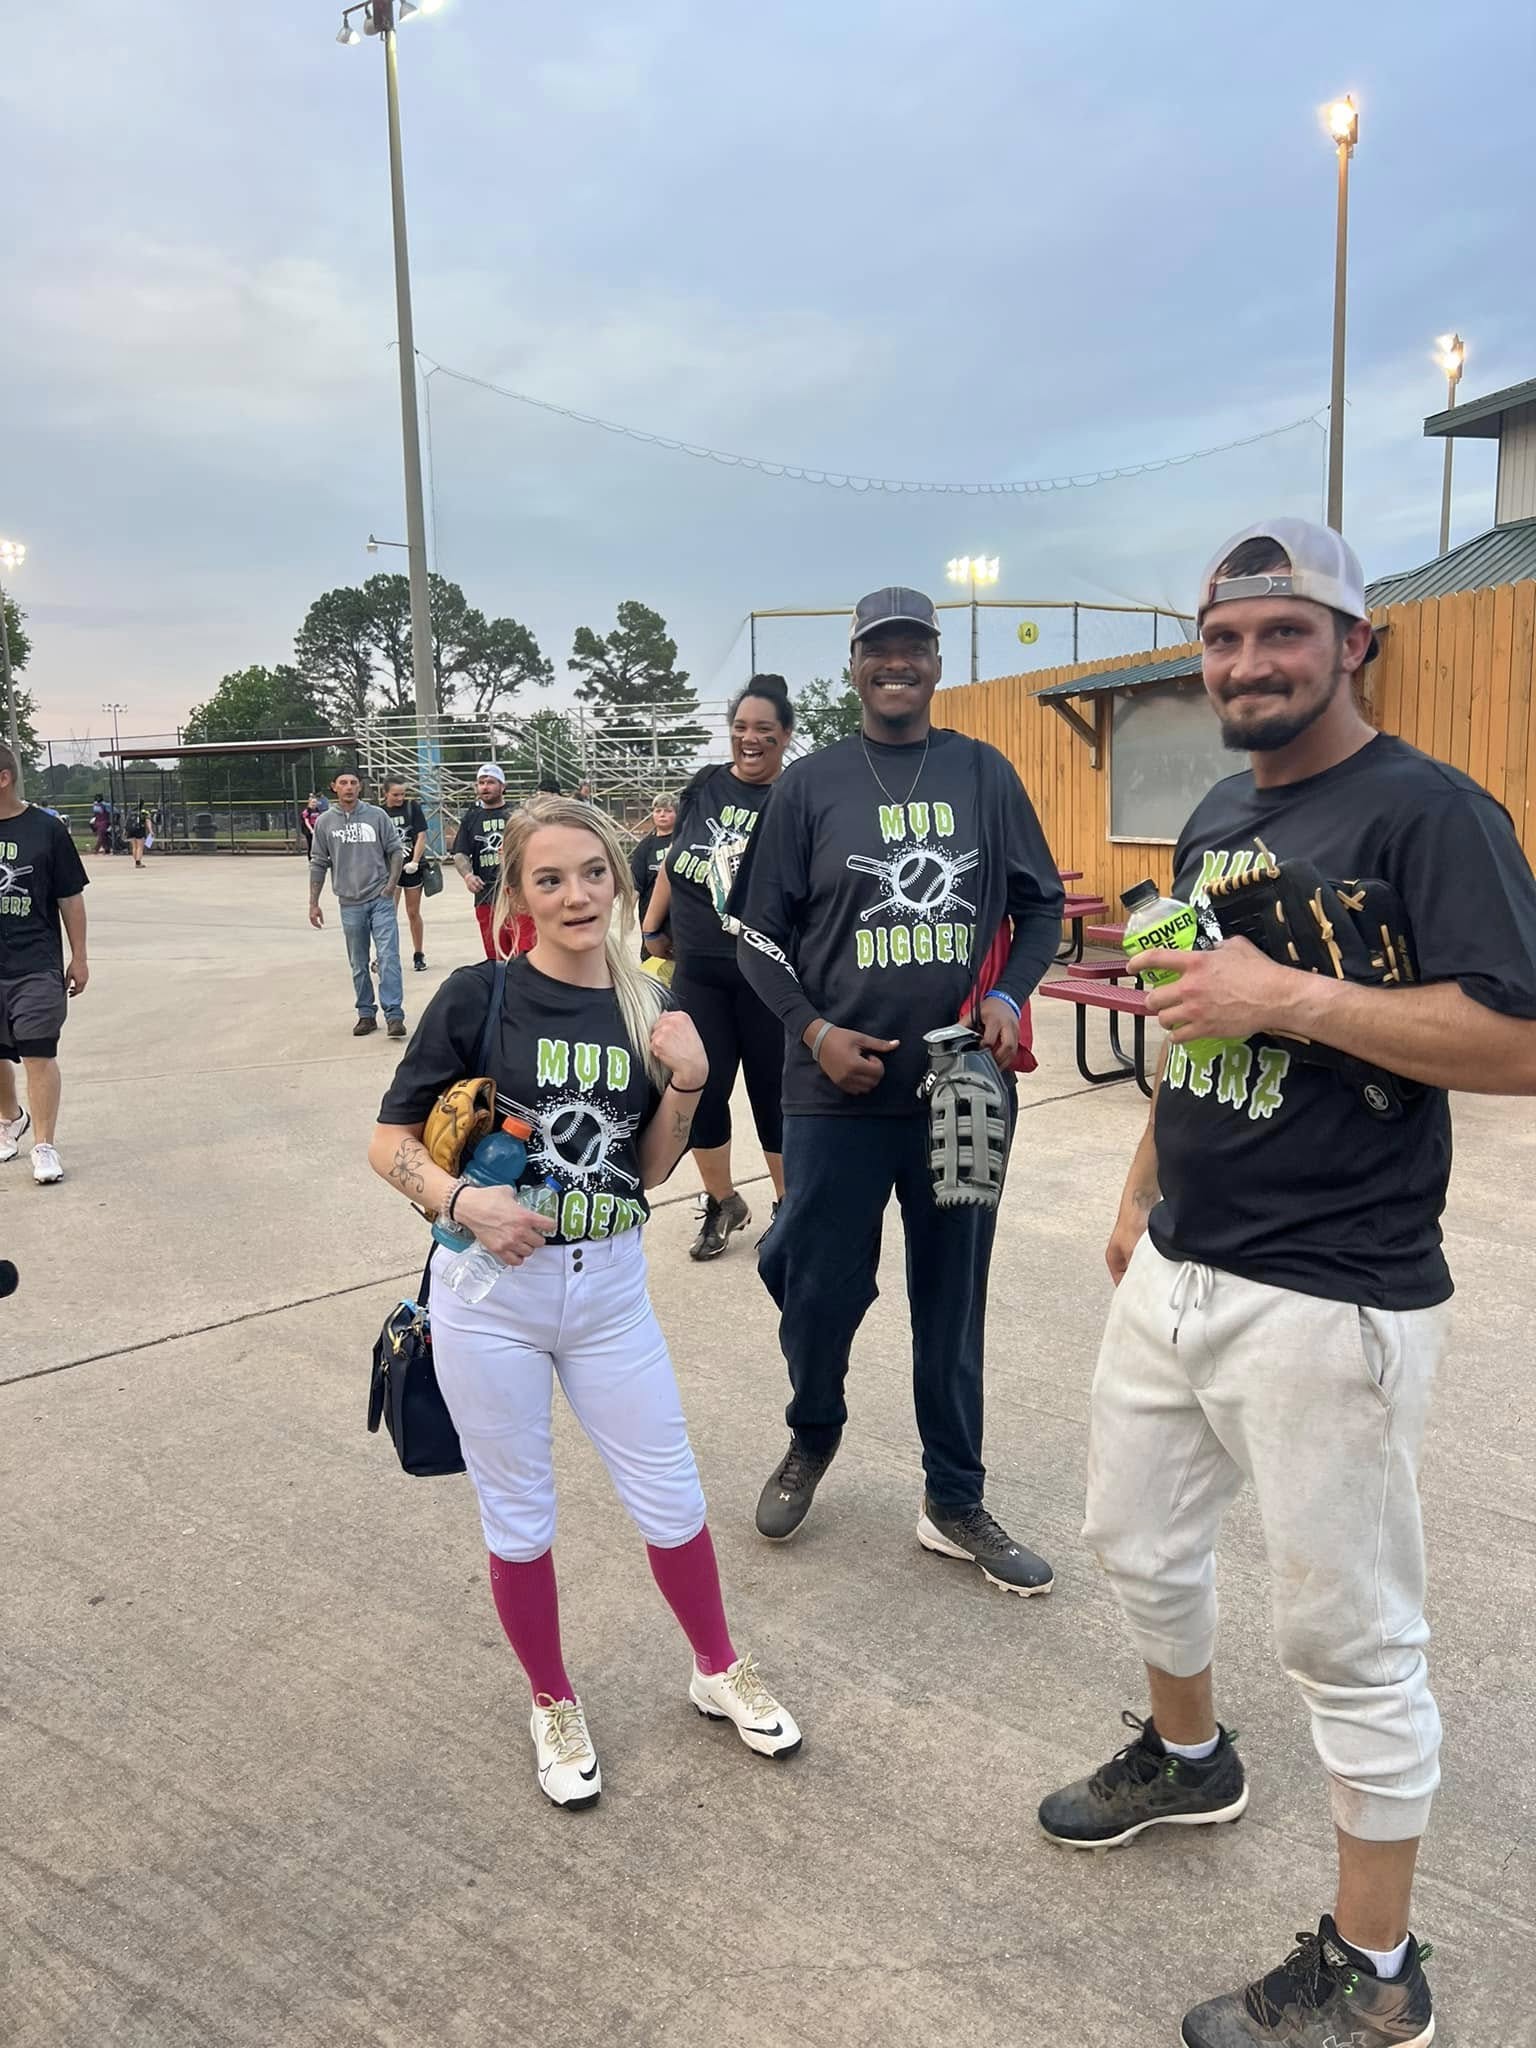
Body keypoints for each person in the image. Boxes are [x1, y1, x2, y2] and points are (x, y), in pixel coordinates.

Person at [1037, 519, 1536, 2048]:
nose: (1248, 663)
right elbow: (1201, 1026)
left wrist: (1296, 993)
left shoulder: (1430, 817)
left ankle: (1380, 1976)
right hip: (1185, 1257)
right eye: (1226, 638)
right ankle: (1190, 1760)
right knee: (1136, 1538)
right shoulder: (1209, 819)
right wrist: (1140, 1194)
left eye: (1283, 635)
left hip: (1336, 1289)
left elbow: (1520, 1041)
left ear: (1351, 645)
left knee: (1350, 1638)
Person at [369, 795, 802, 1809]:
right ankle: (552, 1695)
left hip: (607, 1288)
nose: (576, 895)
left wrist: (689, 1089)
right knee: (519, 1511)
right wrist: (462, 1199)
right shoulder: (479, 997)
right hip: (489, 1292)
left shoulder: (648, 1004)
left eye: (594, 873)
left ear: (619, 877)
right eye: (551, 878)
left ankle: (715, 1663)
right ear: (516, 890)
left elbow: (642, 1173)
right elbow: (387, 1140)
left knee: (672, 1492)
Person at [732, 588, 1064, 1591]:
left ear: (934, 661)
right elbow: (755, 937)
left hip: (960, 1085)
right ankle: (814, 1430)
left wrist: (1008, 991)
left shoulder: (982, 772)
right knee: (818, 1283)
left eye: (914, 647)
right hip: (833, 1092)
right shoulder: (812, 787)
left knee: (952, 1296)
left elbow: (1041, 905)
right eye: (879, 650)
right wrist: (815, 1030)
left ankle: (953, 1495)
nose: (898, 663)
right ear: (855, 665)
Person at [641, 680, 794, 1258]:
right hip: (698, 972)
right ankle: (722, 1201)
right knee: (700, 1090)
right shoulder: (704, 785)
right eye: (741, 728)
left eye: (763, 729)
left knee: (773, 1094)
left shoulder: (794, 795)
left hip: (767, 972)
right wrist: (653, 929)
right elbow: (673, 863)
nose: (749, 739)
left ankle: (787, 1205)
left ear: (785, 735)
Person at [0, 742, 89, 1185]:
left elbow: (69, 897)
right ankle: (11, 1117)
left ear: (4, 778)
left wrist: (80, 956)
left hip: (35, 962)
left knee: (38, 1053)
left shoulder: (46, 830)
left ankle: (44, 1146)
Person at [307, 772, 406, 1039]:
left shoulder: (377, 816)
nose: (348, 787)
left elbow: (395, 850)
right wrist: (313, 903)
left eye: (353, 783)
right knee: (359, 962)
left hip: (380, 898)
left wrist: (390, 886)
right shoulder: (326, 822)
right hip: (349, 903)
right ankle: (366, 1013)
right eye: (343, 783)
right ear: (334, 787)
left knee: (388, 957)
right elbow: (318, 862)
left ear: (360, 786)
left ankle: (394, 1014)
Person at [452, 763, 534, 959]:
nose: (485, 787)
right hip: (486, 896)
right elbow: (460, 853)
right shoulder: (471, 818)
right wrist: (468, 875)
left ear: (503, 786)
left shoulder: (516, 815)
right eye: (481, 783)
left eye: (490, 782)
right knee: (495, 955)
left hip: (516, 894)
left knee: (524, 952)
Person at [381, 775, 431, 971]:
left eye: (402, 794)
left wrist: (416, 861)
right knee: (388, 913)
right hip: (389, 869)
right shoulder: (380, 812)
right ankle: (385, 955)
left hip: (410, 867)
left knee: (412, 912)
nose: (400, 798)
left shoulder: (412, 807)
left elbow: (421, 836)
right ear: (385, 794)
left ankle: (418, 953)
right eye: (395, 794)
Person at [629, 792, 677, 933]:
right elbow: (636, 883)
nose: (662, 815)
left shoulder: (683, 841)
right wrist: (627, 913)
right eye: (658, 811)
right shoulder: (645, 846)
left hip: (680, 915)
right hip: (651, 916)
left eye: (668, 811)